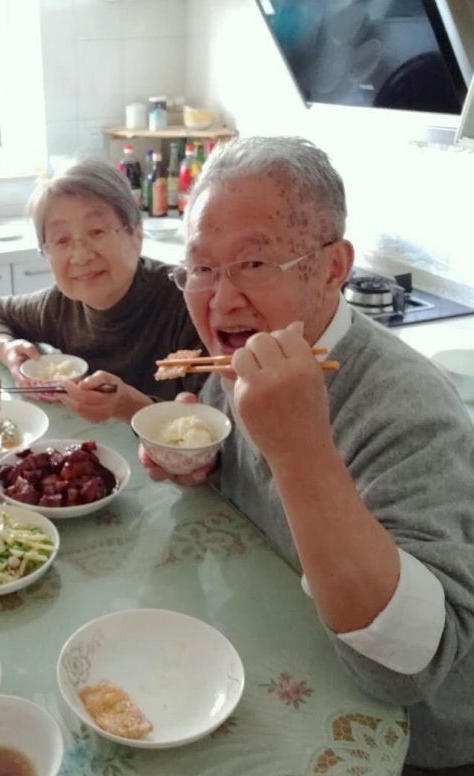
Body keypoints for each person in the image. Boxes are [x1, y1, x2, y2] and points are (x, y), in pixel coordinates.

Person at [140, 135, 474, 773]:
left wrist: (300, 451)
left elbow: (410, 668)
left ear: (332, 267)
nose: (221, 299)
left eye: (254, 263)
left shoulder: (409, 408)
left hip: (411, 744)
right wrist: (206, 467)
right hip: (283, 656)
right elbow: (259, 497)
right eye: (202, 268)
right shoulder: (245, 360)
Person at [0, 159, 205, 422]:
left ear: (136, 236)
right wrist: (6, 349)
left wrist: (130, 406)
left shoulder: (189, 301)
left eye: (97, 231)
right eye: (62, 240)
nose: (81, 255)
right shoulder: (58, 307)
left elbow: (214, 424)